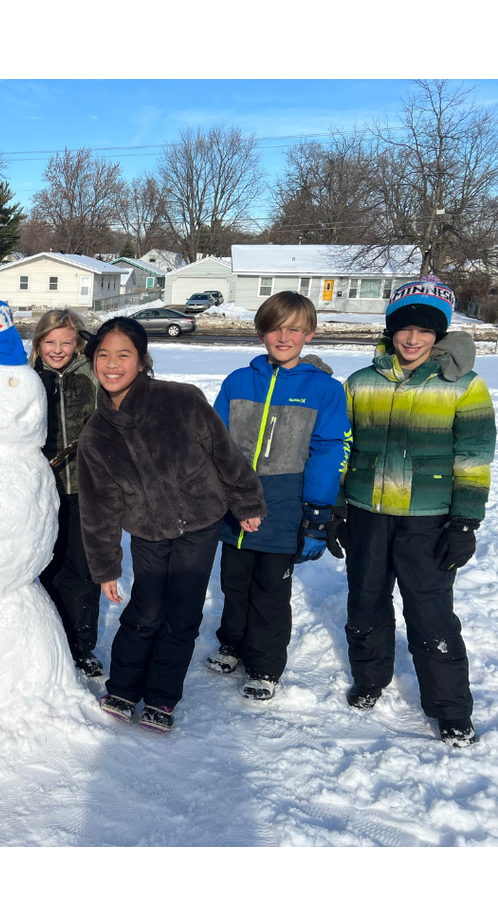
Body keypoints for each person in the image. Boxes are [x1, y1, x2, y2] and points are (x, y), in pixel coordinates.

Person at [76, 317, 266, 732]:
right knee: (145, 609)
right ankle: (124, 688)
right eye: (103, 355)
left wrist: (246, 500)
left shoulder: (182, 400)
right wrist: (105, 567)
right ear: (92, 363)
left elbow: (225, 455)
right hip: (147, 530)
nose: (112, 364)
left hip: (199, 523)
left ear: (142, 361)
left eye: (123, 355)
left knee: (182, 613)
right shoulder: (95, 434)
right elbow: (99, 507)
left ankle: (162, 697)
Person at [328, 276, 495, 747]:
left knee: (431, 613)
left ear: (439, 334)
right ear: (390, 329)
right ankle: (370, 677)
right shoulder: (360, 383)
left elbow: (475, 457)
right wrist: (338, 507)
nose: (413, 338)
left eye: (425, 330)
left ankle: (450, 708)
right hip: (367, 512)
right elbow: (344, 448)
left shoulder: (463, 387)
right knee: (365, 601)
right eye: (404, 327)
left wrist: (465, 520)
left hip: (429, 519)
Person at [207, 292, 350, 700]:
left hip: (285, 507)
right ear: (260, 332)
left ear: (310, 333)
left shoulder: (324, 389)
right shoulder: (238, 381)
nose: (283, 336)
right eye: (274, 327)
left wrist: (318, 514)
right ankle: (232, 643)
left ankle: (266, 664)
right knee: (234, 584)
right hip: (234, 506)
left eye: (294, 329)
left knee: (271, 591)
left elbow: (328, 450)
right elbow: (215, 442)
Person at [30, 309, 103, 677]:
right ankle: (49, 638)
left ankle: (81, 644)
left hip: (85, 489)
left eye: (66, 342)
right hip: (43, 490)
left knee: (83, 567)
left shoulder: (91, 375)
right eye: (50, 342)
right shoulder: (28, 380)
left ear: (78, 344)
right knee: (46, 564)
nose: (57, 349)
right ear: (39, 343)